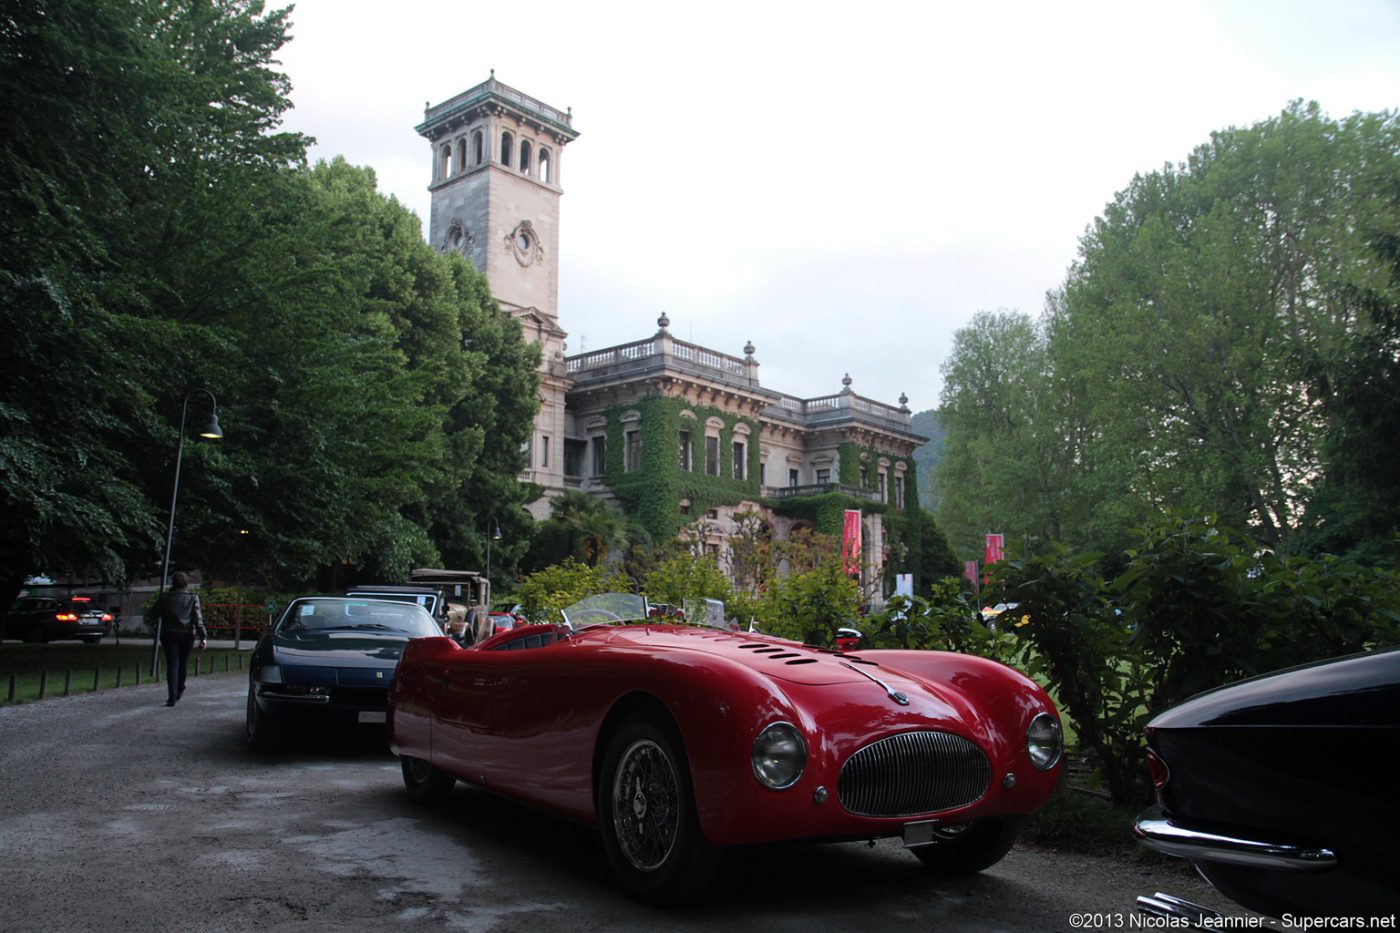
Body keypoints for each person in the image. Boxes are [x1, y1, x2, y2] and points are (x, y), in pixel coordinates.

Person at [152, 571, 207, 706]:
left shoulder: (165, 597)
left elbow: (153, 613)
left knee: (172, 663)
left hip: (168, 633)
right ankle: (180, 687)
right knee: (183, 662)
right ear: (186, 583)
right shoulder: (192, 597)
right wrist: (203, 637)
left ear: (173, 583)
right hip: (186, 634)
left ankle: (172, 696)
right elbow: (197, 619)